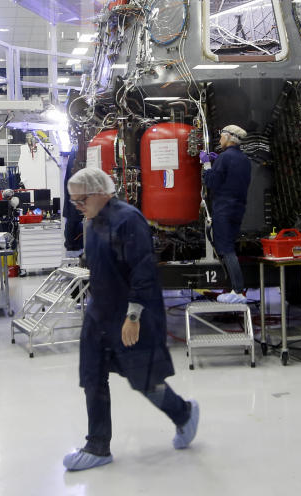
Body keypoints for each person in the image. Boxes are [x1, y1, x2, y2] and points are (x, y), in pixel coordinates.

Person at [63, 167, 198, 471]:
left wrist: (133, 315)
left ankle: (184, 413)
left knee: (144, 379)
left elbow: (143, 270)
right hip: (100, 315)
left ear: (100, 192)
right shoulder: (94, 221)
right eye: (74, 203)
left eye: (81, 200)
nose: (79, 207)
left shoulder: (128, 219)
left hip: (130, 314)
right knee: (92, 376)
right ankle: (97, 446)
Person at [201, 124, 252, 304]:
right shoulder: (244, 160)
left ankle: (237, 291)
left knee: (226, 249)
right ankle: (235, 289)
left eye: (221, 136)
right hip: (238, 208)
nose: (220, 139)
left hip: (224, 209)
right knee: (230, 246)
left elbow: (212, 182)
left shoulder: (224, 158)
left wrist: (207, 165)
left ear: (230, 138)